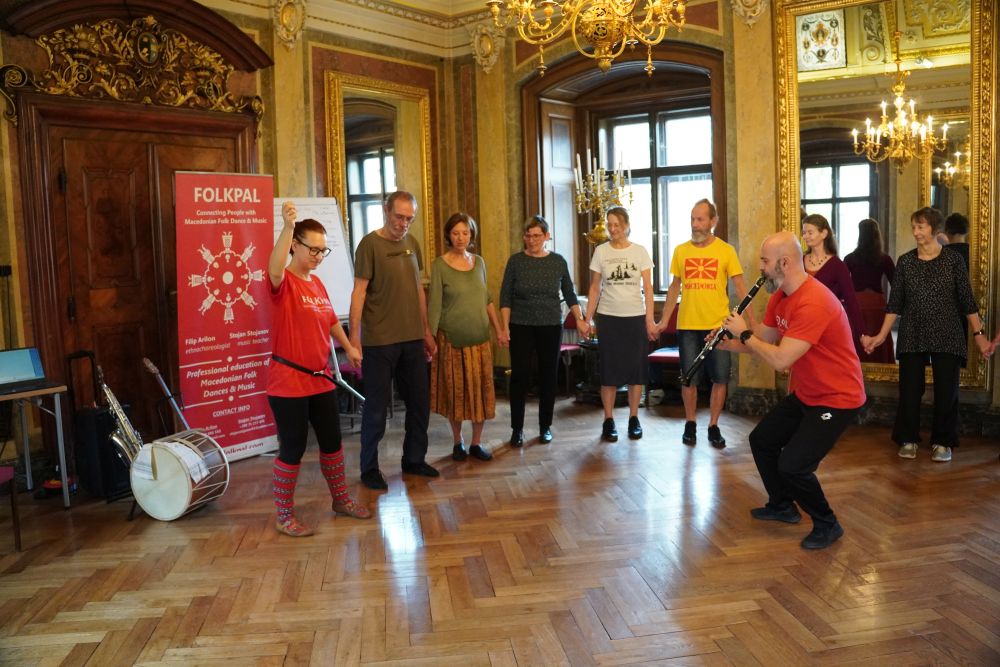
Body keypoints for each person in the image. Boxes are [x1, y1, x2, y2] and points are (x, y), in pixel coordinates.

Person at [718, 231, 865, 550]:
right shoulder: (781, 295)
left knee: (794, 465)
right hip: (808, 391)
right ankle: (782, 505)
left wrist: (745, 335)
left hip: (838, 398)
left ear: (784, 263)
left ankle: (828, 524)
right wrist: (732, 343)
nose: (761, 267)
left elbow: (781, 359)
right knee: (762, 440)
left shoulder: (814, 301)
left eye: (765, 261)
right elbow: (767, 340)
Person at [266, 201, 371, 537]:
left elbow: (329, 320)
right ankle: (284, 516)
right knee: (293, 448)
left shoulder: (316, 284)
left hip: (321, 379)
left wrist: (350, 346)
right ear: (295, 245)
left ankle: (341, 500)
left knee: (332, 442)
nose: (318, 256)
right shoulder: (284, 282)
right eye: (313, 249)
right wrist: (286, 226)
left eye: (322, 250)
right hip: (288, 382)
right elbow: (274, 269)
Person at [862, 207, 990, 462]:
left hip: (947, 332)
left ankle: (943, 441)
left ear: (935, 228)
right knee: (909, 389)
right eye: (914, 227)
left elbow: (967, 301)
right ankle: (907, 438)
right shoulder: (906, 261)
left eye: (921, 227)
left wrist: (979, 335)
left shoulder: (953, 260)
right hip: (912, 332)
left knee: (946, 391)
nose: (916, 232)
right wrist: (881, 335)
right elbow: (895, 304)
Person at [349, 191, 439, 490]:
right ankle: (369, 468)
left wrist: (426, 331)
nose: (403, 224)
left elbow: (417, 289)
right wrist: (354, 338)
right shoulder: (369, 245)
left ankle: (414, 459)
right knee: (376, 409)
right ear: (386, 211)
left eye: (409, 219)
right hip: (379, 341)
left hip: (412, 338)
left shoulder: (412, 244)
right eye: (399, 217)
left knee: (419, 404)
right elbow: (359, 292)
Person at [660, 199, 749, 448]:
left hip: (719, 327)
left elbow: (741, 287)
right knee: (688, 378)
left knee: (720, 378)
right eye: (692, 219)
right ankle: (690, 424)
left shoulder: (726, 251)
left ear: (713, 221)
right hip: (688, 325)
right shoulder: (680, 251)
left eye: (700, 219)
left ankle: (713, 425)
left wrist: (752, 323)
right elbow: (674, 288)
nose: (695, 224)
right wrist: (663, 320)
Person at [500, 215, 587, 447]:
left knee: (549, 375)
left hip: (550, 325)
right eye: (528, 236)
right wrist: (504, 327)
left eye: (537, 236)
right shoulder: (516, 261)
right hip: (521, 324)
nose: (532, 240)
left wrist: (580, 319)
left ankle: (545, 426)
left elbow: (569, 293)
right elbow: (505, 296)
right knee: (520, 376)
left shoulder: (558, 261)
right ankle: (517, 429)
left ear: (547, 236)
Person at [428, 213, 505, 462]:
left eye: (465, 233)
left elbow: (487, 299)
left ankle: (476, 443)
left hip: (480, 339)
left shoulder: (479, 262)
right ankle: (457, 441)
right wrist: (430, 338)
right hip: (452, 340)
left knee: (481, 393)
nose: (461, 238)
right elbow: (434, 305)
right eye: (455, 233)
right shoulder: (439, 265)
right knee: (456, 394)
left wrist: (499, 329)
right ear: (448, 235)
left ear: (471, 235)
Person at [583, 207, 656, 441]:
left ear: (626, 226)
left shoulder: (640, 252)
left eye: (616, 225)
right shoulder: (601, 251)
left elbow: (648, 289)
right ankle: (608, 419)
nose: (612, 229)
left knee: (636, 371)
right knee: (609, 371)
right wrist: (587, 318)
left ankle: (634, 418)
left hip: (635, 317)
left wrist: (649, 319)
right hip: (608, 318)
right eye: (609, 224)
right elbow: (595, 287)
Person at [801, 214, 865, 355]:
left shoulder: (837, 265)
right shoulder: (799, 261)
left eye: (810, 232)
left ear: (824, 233)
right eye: (804, 232)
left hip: (827, 327)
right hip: (801, 324)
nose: (805, 236)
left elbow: (851, 300)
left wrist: (862, 333)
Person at [844, 218, 895, 363]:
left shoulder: (850, 258)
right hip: (877, 303)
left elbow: (842, 286)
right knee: (879, 336)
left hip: (857, 303)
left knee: (856, 337)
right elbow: (897, 285)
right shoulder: (884, 259)